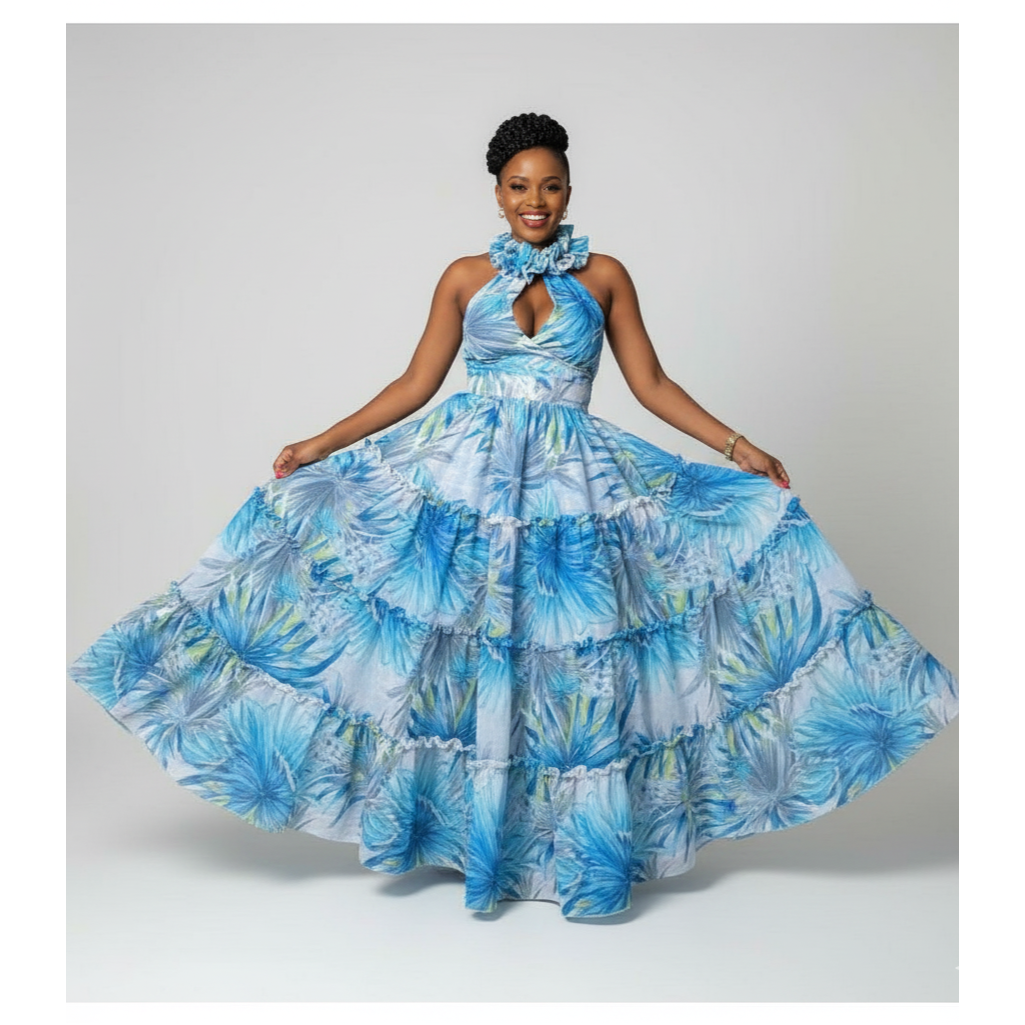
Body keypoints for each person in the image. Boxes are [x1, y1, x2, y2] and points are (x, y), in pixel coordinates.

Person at [69, 112, 958, 920]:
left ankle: (575, 842)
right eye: (518, 186)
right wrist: (318, 442)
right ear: (495, 192)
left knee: (569, 667)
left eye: (552, 185)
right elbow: (414, 386)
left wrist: (739, 448)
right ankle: (470, 835)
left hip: (573, 490)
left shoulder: (604, 275)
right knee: (459, 651)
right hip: (471, 482)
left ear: (571, 190)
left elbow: (649, 385)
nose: (536, 200)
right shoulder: (462, 278)